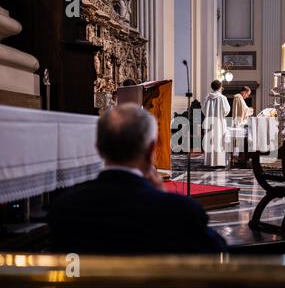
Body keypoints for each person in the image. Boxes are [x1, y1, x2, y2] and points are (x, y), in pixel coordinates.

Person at [48, 104, 227, 254]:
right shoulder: (181, 210)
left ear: (99, 148)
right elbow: (218, 255)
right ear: (151, 150)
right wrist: (162, 195)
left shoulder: (63, 208)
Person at [202, 80, 231, 167]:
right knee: (219, 141)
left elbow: (203, 110)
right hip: (219, 123)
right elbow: (226, 110)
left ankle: (209, 162)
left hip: (210, 123)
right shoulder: (222, 98)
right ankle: (219, 162)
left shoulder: (207, 97)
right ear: (219, 87)